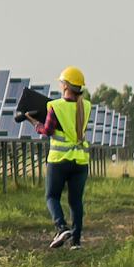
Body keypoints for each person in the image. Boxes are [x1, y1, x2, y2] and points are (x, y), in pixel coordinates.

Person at [41, 64, 91, 248]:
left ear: (65, 86)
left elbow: (47, 130)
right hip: (80, 161)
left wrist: (33, 122)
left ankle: (61, 227)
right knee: (76, 201)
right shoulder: (86, 106)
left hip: (59, 161)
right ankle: (76, 241)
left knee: (52, 196)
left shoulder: (55, 106)